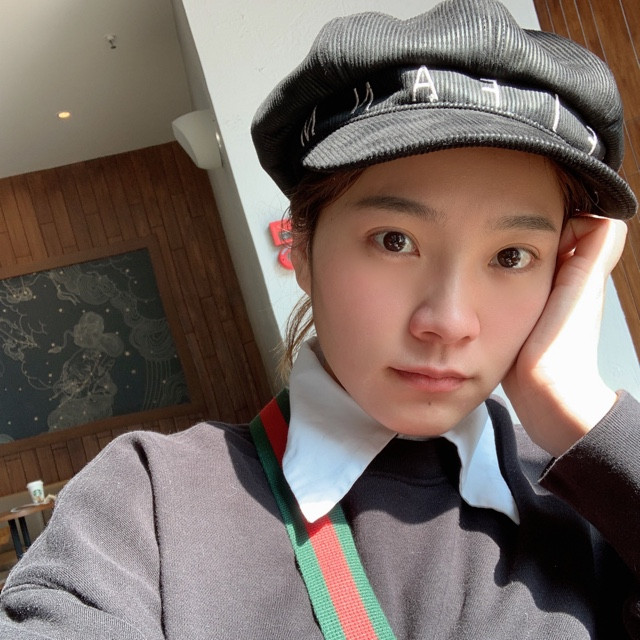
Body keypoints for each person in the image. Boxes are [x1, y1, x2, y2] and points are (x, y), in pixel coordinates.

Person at [0, 0, 638, 637]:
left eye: (512, 255)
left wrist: (578, 410)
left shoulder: (602, 505)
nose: (448, 321)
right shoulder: (148, 509)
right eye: (394, 240)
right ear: (303, 247)